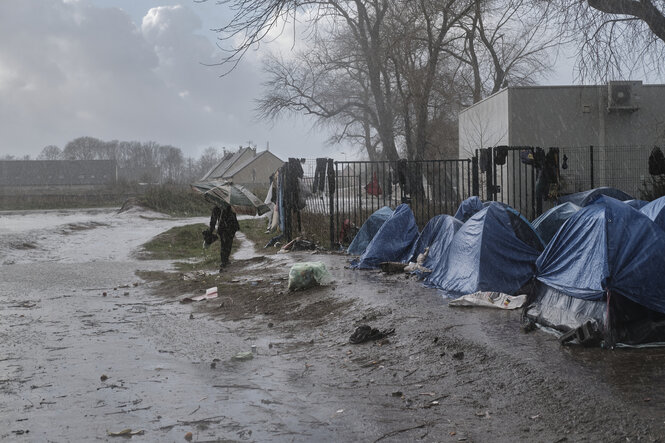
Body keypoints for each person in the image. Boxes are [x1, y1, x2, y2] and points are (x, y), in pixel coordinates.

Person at [202, 204, 239, 272]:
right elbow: (213, 220)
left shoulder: (227, 206)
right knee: (227, 244)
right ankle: (224, 261)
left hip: (227, 228)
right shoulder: (226, 206)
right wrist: (211, 230)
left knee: (226, 244)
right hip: (227, 228)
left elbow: (213, 220)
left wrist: (211, 229)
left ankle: (225, 260)